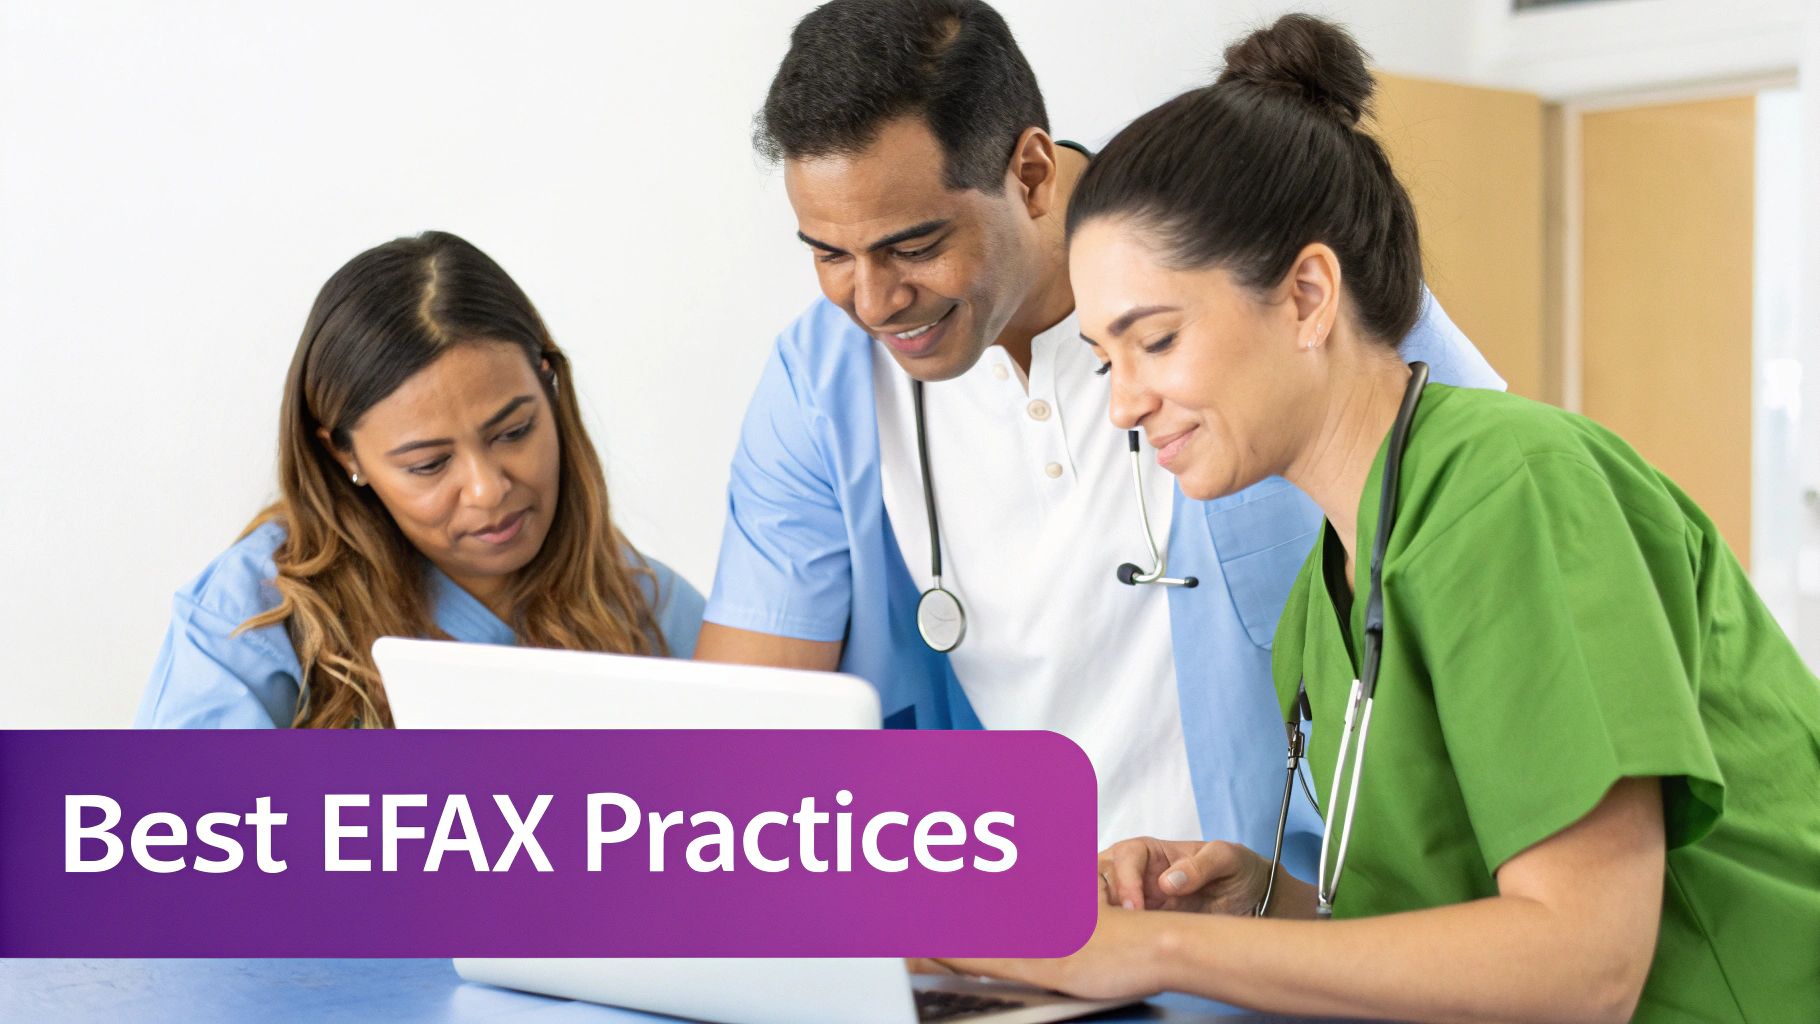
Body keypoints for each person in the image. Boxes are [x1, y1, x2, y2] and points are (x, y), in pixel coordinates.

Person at [944, 15, 1820, 1021]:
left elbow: (1585, 965)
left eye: (1157, 341)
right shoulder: (1322, 603)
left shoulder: (1514, 490)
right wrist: (1260, 903)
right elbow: (1452, 927)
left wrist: (1157, 948)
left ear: (1308, 296)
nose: (1124, 405)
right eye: (1107, 360)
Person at [699, 0, 1503, 855]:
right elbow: (735, 749)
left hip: (1306, 907)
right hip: (1043, 918)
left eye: (915, 246)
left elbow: (1493, 507)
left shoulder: (1238, 243)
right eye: (829, 254)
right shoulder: (821, 384)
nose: (871, 301)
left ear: (1031, 173)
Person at [138, 231, 703, 729]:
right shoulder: (254, 613)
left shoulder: (653, 610)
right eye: (429, 465)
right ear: (343, 454)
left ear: (548, 387)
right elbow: (184, 813)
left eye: (514, 432)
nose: (487, 489)